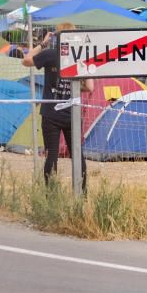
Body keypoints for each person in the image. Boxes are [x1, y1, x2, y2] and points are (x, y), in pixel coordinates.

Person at [23, 22, 94, 190]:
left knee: (52, 155)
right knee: (77, 155)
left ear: (58, 37)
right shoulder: (80, 57)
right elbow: (90, 87)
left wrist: (43, 43)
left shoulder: (50, 54)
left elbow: (26, 60)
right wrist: (72, 86)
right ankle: (81, 194)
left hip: (51, 112)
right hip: (72, 113)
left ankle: (51, 195)